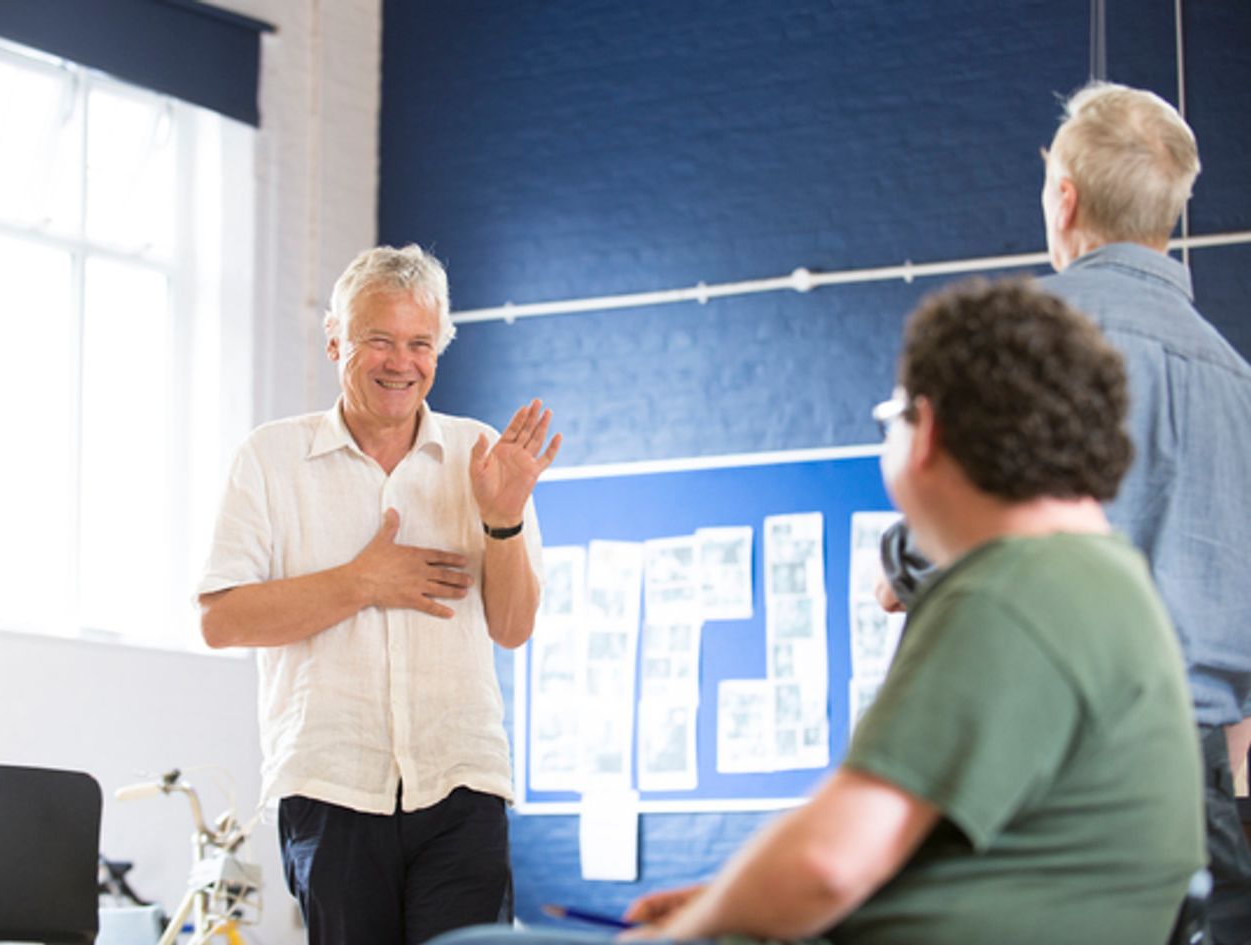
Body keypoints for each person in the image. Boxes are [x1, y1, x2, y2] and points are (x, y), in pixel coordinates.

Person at [431, 279, 1205, 945]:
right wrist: (723, 901)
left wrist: (694, 927)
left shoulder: (1009, 592)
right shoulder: (1106, 581)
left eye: (891, 417)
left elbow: (829, 860)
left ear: (926, 428)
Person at [878, 80, 1251, 942]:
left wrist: (897, 562)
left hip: (1026, 771)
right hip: (1190, 795)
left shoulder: (1022, 338)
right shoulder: (1238, 385)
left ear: (1064, 195)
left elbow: (956, 535)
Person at [196, 244, 562, 945]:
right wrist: (363, 580)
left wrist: (503, 518)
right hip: (331, 784)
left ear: (439, 349)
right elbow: (221, 619)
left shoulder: (481, 454)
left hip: (461, 779)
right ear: (336, 339)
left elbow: (513, 627)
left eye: (420, 343)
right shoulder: (270, 459)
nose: (402, 362)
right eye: (379, 340)